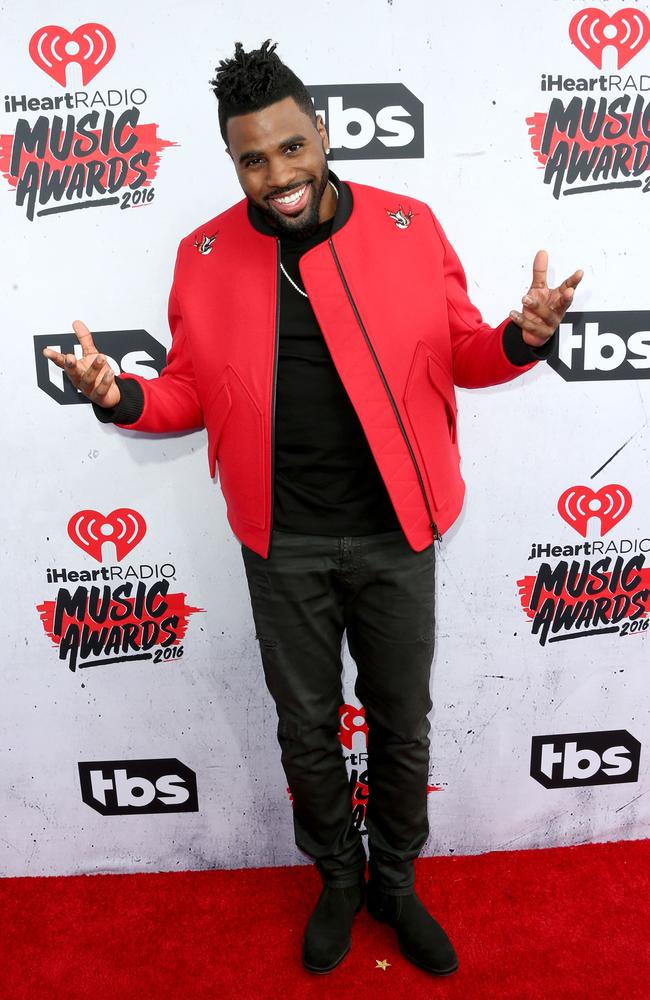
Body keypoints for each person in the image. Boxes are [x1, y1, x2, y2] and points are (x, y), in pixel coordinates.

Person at [43, 39, 583, 977]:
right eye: (253, 159)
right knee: (306, 726)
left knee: (401, 720)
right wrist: (116, 393)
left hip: (398, 532)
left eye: (291, 149)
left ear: (322, 135)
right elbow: (184, 396)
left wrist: (522, 336)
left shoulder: (410, 226)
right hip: (282, 541)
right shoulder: (203, 256)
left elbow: (465, 353)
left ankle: (397, 884)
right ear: (233, 162)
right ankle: (337, 878)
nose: (277, 176)